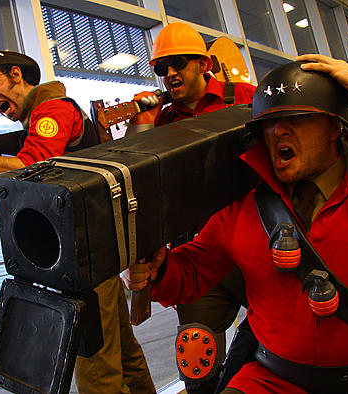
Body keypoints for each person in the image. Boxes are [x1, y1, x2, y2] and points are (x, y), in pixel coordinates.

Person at [122, 53, 348, 393]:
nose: (278, 132)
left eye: (295, 119)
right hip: (271, 380)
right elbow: (191, 273)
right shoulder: (242, 209)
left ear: (333, 128)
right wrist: (160, 270)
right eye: (269, 124)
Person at [0, 50, 156, 394]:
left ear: (16, 74)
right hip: (94, 251)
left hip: (86, 258)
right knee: (122, 355)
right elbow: (30, 157)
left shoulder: (52, 110)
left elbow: (27, 168)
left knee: (97, 375)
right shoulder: (39, 121)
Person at [126, 22, 257, 394]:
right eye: (160, 68)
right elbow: (145, 180)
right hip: (202, 253)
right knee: (197, 362)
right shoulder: (164, 120)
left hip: (258, 242)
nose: (169, 74)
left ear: (203, 63)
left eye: (178, 63)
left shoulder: (244, 96)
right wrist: (144, 126)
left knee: (280, 347)